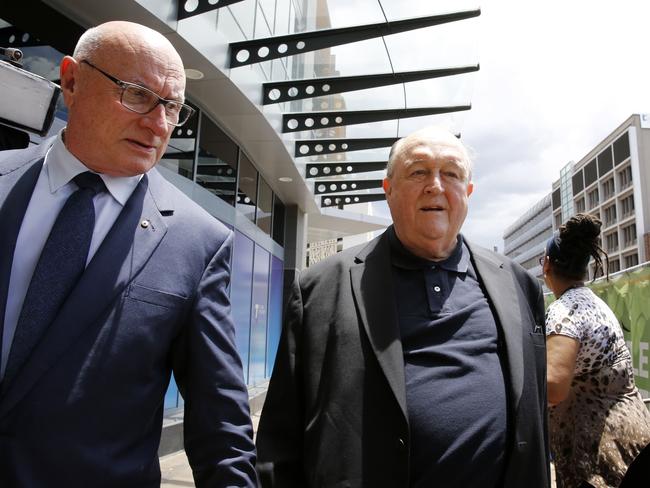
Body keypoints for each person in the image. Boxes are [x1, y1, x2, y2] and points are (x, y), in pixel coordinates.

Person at [0, 21, 257, 487]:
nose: (158, 124)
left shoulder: (198, 242)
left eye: (173, 108)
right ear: (72, 81)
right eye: (138, 95)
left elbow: (220, 426)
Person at [256, 126, 550, 487]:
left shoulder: (519, 285)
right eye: (419, 171)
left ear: (468, 192)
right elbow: (278, 441)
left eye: (452, 174)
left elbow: (535, 420)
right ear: (388, 189)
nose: (436, 186)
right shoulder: (320, 288)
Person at [542, 213, 650, 488]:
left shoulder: (562, 314)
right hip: (632, 439)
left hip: (598, 459)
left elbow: (553, 388)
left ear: (546, 266)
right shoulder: (596, 305)